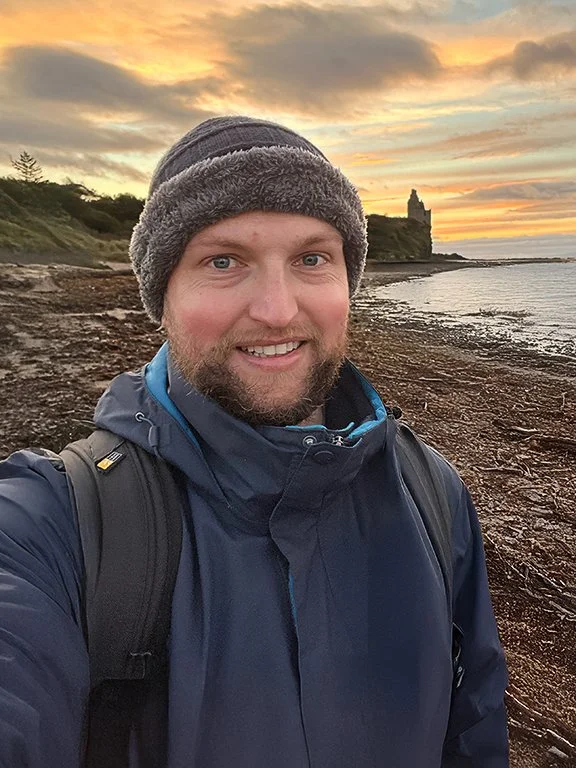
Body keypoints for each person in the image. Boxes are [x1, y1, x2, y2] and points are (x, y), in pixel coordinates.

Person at [0, 116, 509, 767]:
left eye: (311, 258)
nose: (276, 308)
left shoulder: (430, 493)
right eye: (223, 260)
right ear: (163, 294)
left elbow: (475, 724)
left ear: (347, 282)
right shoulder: (56, 527)